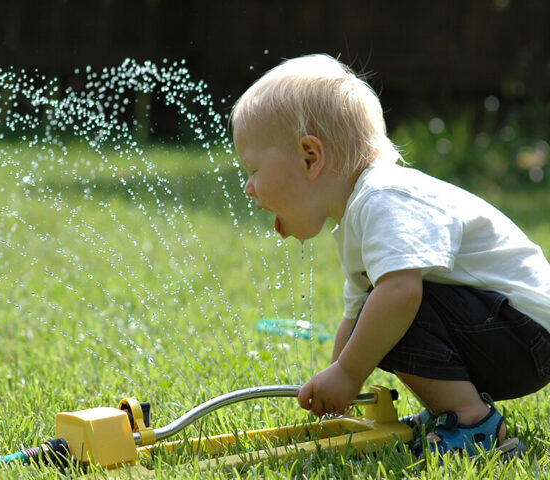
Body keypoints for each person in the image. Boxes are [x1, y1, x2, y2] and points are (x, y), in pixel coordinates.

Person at [230, 53, 550, 456]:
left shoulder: (383, 197)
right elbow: (353, 319)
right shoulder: (356, 216)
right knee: (375, 308)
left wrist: (348, 374)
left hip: (527, 336)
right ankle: (450, 412)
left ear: (310, 156)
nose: (248, 188)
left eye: (253, 170)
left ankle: (474, 423)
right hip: (509, 333)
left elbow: (401, 295)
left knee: (392, 302)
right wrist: (335, 389)